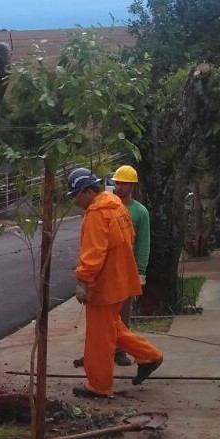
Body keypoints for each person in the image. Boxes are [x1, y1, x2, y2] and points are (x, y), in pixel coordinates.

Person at [67, 167, 163, 398]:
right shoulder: (116, 206)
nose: (75, 200)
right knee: (113, 327)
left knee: (100, 338)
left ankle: (99, 386)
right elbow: (128, 239)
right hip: (119, 280)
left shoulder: (98, 213)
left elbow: (93, 253)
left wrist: (83, 281)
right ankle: (150, 356)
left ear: (87, 191)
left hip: (105, 286)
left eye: (76, 195)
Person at [111, 164, 150, 366]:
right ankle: (101, 349)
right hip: (109, 270)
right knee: (104, 314)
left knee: (123, 313)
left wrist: (141, 271)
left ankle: (120, 350)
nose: (119, 186)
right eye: (117, 182)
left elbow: (144, 242)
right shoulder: (108, 207)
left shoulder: (140, 212)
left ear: (132, 185)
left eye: (123, 183)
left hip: (127, 270)